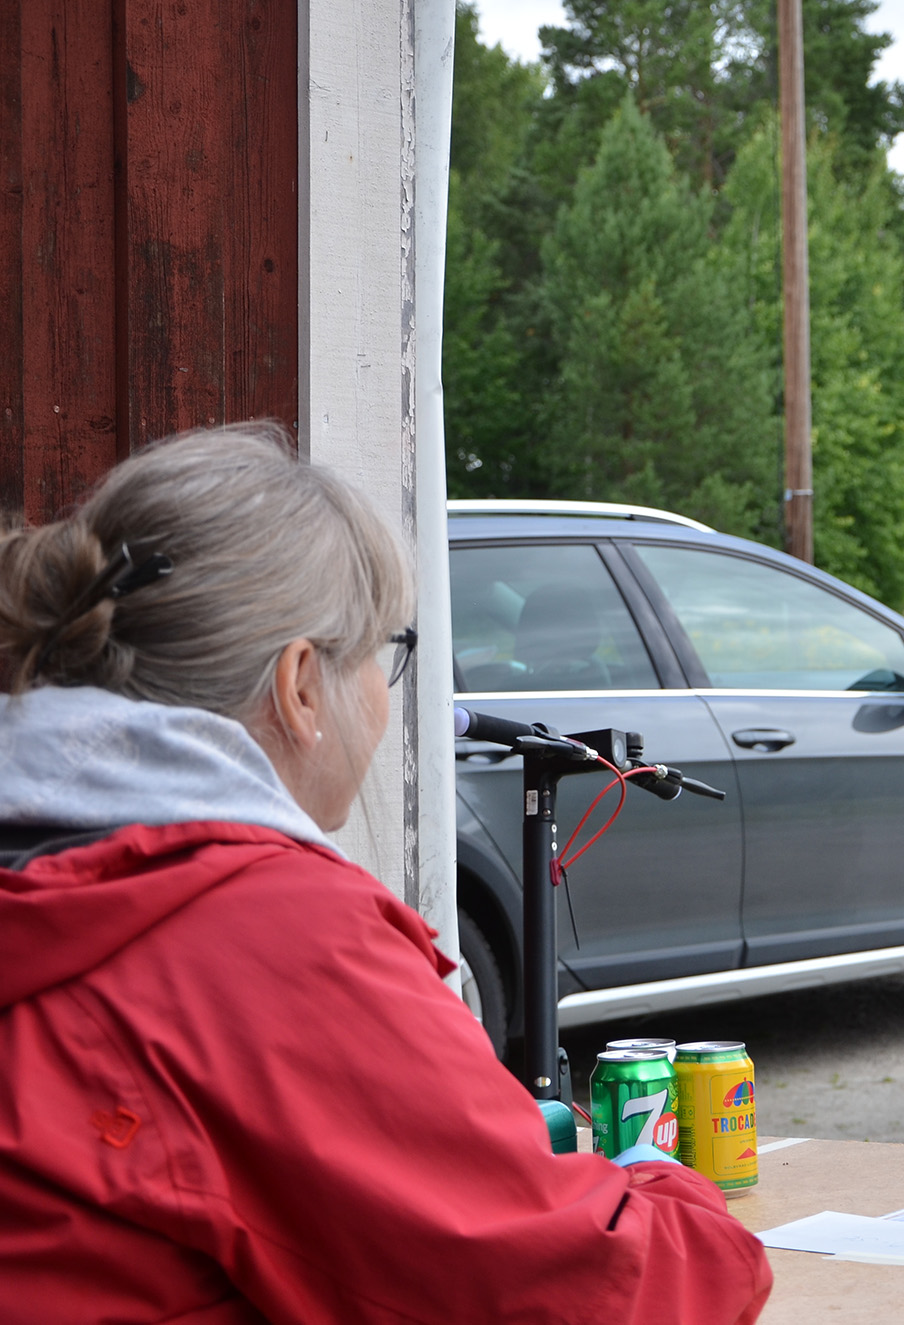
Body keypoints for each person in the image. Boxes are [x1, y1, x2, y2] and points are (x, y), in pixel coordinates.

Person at [0, 426, 771, 1323]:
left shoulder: (62, 874)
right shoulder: (263, 932)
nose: (384, 690)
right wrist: (674, 1191)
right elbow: (598, 1291)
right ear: (301, 686)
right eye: (381, 652)